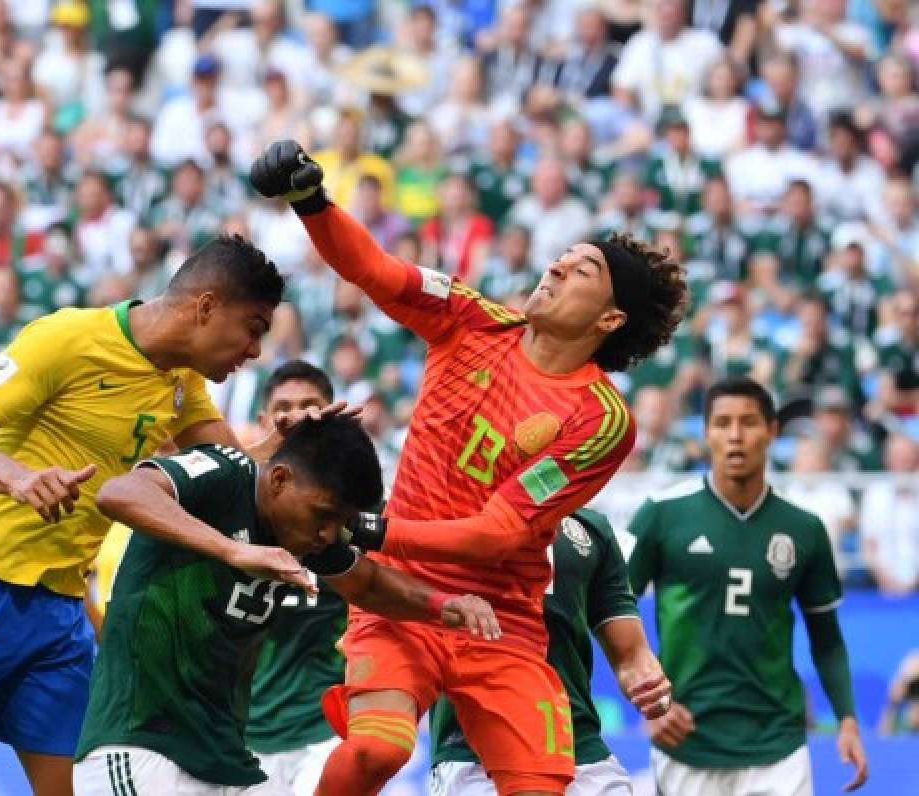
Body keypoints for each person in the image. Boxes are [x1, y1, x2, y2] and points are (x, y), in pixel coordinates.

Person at [250, 140, 689, 796]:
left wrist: (367, 531)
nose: (558, 265)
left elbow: (497, 534)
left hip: (501, 618)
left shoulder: (600, 421)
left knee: (542, 787)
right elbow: (371, 267)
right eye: (564, 256)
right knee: (377, 751)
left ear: (610, 317)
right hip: (400, 593)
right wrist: (311, 203)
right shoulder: (469, 318)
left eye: (583, 270)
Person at [0, 236, 315, 796]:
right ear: (206, 306)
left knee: (78, 788)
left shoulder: (181, 382)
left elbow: (231, 470)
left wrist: (289, 446)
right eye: (253, 327)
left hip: (58, 609)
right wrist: (18, 478)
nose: (256, 350)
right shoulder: (68, 337)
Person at [73, 415, 501, 795]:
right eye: (323, 516)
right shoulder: (226, 473)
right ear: (278, 479)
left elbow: (368, 585)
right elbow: (119, 492)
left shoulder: (299, 529)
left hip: (224, 759)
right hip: (141, 746)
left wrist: (446, 604)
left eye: (341, 524)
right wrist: (232, 551)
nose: (328, 535)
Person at [627, 377, 869, 795]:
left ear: (772, 431)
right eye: (722, 423)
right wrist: (648, 704)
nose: (735, 436)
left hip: (778, 744)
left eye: (748, 422)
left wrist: (847, 718)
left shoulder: (804, 529)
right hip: (686, 740)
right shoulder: (662, 515)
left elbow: (826, 637)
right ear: (705, 434)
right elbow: (612, 613)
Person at [429, 508, 671, 796]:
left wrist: (649, 683)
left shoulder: (590, 527)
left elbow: (632, 656)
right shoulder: (449, 512)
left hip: (580, 747)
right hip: (475, 755)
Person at [246, 362, 348, 795]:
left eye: (312, 406)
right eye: (283, 408)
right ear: (263, 424)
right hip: (241, 738)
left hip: (325, 731)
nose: (299, 417)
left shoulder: (364, 512)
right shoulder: (230, 509)